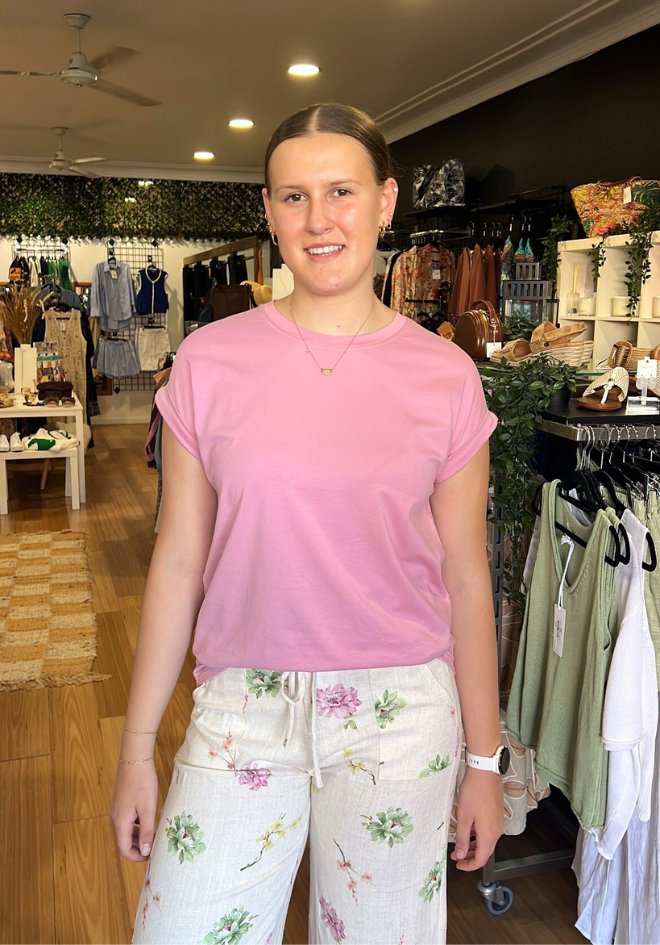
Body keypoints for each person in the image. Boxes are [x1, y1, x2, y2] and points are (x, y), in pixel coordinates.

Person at [111, 103, 504, 945]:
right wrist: (136, 747)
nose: (318, 220)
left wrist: (484, 760)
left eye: (340, 192)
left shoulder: (445, 377)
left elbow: (466, 576)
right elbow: (179, 561)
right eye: (294, 197)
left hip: (401, 712)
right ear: (267, 210)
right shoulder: (210, 364)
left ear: (387, 200)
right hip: (242, 707)